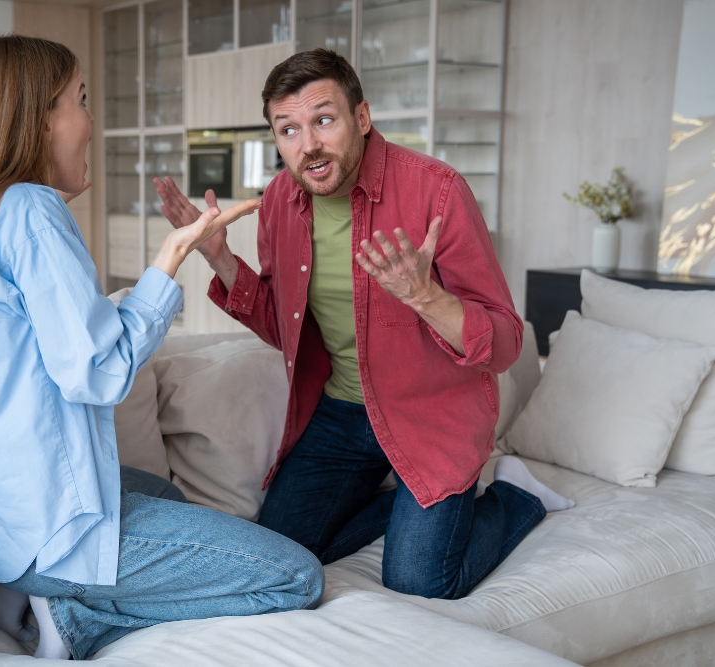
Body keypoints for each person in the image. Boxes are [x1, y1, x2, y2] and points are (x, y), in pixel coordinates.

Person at [0, 36, 324, 661]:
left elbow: (38, 344)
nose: (91, 122)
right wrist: (169, 258)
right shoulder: (31, 212)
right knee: (297, 576)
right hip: (53, 537)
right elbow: (99, 372)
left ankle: (21, 595)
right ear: (36, 118)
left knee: (169, 496)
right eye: (81, 100)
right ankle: (71, 618)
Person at [154, 49, 574, 601]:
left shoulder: (437, 191)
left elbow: (504, 344)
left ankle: (515, 496)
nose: (309, 145)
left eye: (324, 120)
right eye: (289, 129)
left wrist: (424, 297)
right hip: (341, 415)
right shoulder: (281, 199)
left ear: (362, 118)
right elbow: (290, 331)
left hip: (432, 415)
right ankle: (403, 503)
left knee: (419, 580)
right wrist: (220, 259)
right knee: (276, 556)